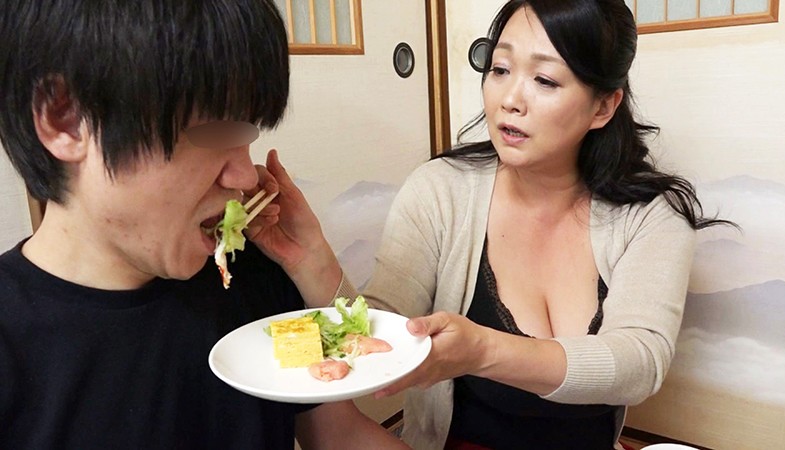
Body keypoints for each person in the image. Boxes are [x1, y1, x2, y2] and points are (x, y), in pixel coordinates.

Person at [265, 0, 737, 449]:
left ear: (603, 107)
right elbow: (384, 331)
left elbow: (639, 363)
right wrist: (313, 259)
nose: (510, 99)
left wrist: (484, 351)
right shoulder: (441, 190)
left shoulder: (650, 215)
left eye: (545, 80)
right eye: (499, 69)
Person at [0, 1, 407, 449]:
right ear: (66, 120)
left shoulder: (250, 273)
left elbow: (341, 435)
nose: (245, 177)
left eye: (244, 133)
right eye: (214, 132)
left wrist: (311, 260)